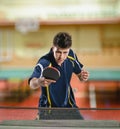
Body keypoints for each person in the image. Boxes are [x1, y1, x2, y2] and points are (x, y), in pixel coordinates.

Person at [28, 32, 89, 120]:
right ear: (53, 48)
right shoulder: (44, 61)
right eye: (58, 52)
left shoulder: (71, 55)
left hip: (70, 107)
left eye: (65, 52)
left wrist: (82, 76)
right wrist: (38, 81)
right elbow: (31, 83)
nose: (62, 56)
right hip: (48, 111)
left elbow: (80, 75)